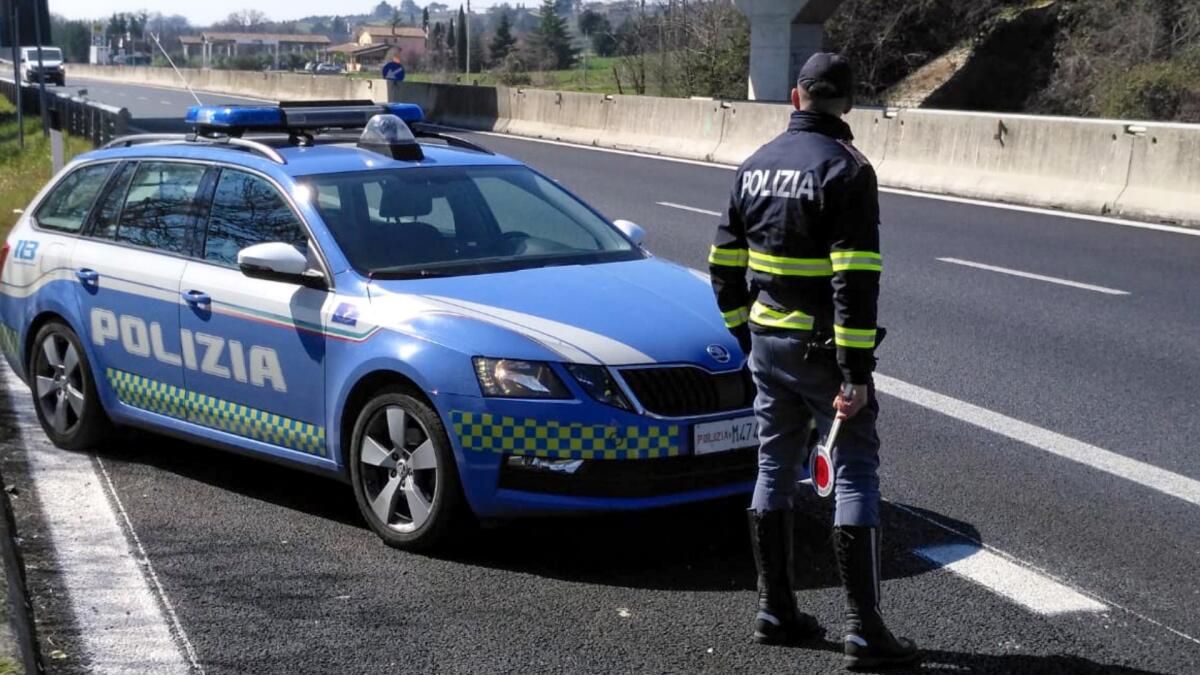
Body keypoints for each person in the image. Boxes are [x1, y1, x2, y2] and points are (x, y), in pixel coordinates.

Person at [708, 52, 919, 671]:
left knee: (773, 463)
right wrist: (856, 374)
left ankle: (775, 610)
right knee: (854, 470)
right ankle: (863, 631)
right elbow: (855, 280)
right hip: (823, 351)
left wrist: (745, 336)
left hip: (768, 341)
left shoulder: (754, 166)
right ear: (848, 104)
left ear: (795, 99)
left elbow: (722, 267)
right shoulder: (848, 170)